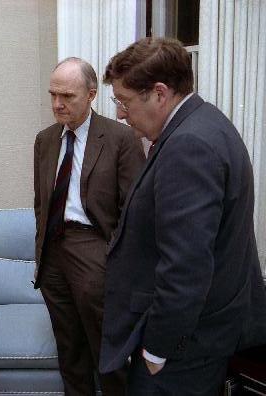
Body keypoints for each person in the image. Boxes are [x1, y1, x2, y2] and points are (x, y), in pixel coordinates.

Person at [100, 37, 266, 394]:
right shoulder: (206, 123)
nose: (120, 113)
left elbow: (186, 265)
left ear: (160, 93)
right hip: (198, 336)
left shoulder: (189, 146)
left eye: (124, 101)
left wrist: (157, 349)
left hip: (184, 347)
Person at [33, 57, 145, 395]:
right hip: (53, 251)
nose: (57, 104)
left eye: (67, 96)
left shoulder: (120, 138)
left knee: (105, 347)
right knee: (69, 350)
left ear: (92, 94)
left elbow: (134, 210)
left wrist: (115, 259)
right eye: (53, 94)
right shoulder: (45, 140)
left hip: (95, 248)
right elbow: (41, 201)